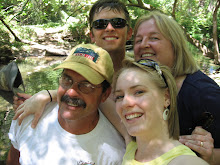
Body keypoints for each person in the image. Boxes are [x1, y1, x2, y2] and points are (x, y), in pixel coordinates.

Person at [12, 3, 215, 163]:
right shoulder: (124, 77)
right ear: (91, 34)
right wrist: (48, 95)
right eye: (100, 24)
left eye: (117, 23)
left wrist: (208, 155)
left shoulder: (195, 90)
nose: (109, 28)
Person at [7, 43, 126, 165]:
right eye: (67, 79)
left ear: (105, 94)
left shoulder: (117, 152)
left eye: (86, 85)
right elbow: (13, 159)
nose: (71, 92)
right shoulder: (27, 116)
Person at [133, 11, 220, 164]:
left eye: (154, 38)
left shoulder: (203, 94)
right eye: (138, 40)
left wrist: (211, 156)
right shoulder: (142, 86)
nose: (144, 44)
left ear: (175, 45)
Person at [113, 58, 208, 164]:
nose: (125, 103)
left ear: (166, 97)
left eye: (139, 92)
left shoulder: (186, 162)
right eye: (119, 96)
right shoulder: (132, 148)